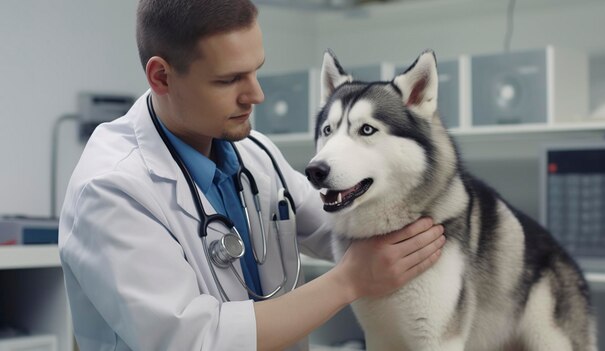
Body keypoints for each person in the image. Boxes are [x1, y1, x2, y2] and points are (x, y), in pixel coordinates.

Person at [57, 0, 446, 350]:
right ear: (161, 77)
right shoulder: (111, 188)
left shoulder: (253, 152)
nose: (256, 95)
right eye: (229, 80)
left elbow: (338, 230)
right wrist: (348, 281)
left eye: (256, 71)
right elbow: (193, 340)